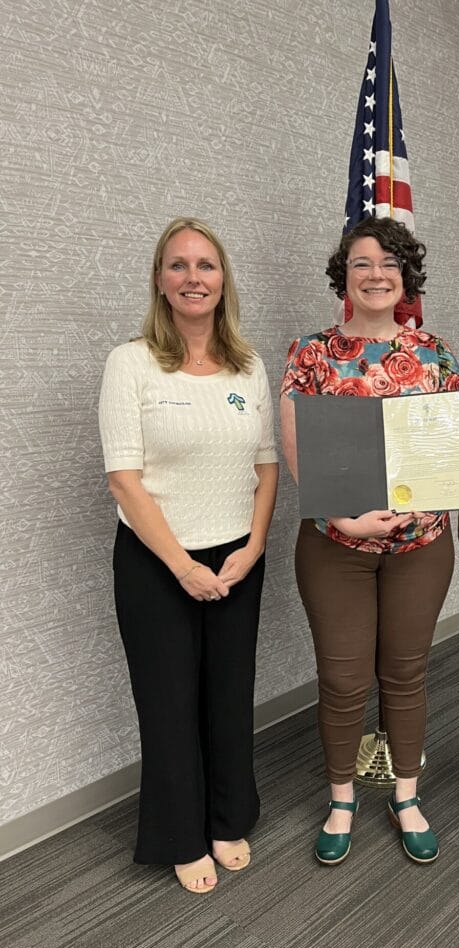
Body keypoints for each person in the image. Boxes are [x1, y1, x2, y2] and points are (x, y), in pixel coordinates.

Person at [99, 217, 278, 894]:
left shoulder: (249, 365)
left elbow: (266, 466)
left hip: (237, 557)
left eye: (205, 265)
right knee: (169, 703)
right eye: (178, 266)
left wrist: (254, 546)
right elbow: (124, 478)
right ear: (159, 280)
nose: (193, 278)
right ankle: (179, 832)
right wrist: (181, 566)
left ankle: (231, 816)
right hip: (156, 563)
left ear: (223, 278)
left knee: (230, 696)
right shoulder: (132, 363)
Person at [280, 217, 459, 865]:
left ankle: (404, 794)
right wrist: (346, 515)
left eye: (389, 262)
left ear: (405, 274)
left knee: (406, 673)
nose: (377, 273)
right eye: (362, 263)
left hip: (422, 544)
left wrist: (435, 498)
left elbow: (452, 449)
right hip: (336, 544)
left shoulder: (438, 355)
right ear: (345, 276)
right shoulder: (312, 353)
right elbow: (296, 446)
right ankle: (341, 798)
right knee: (343, 677)